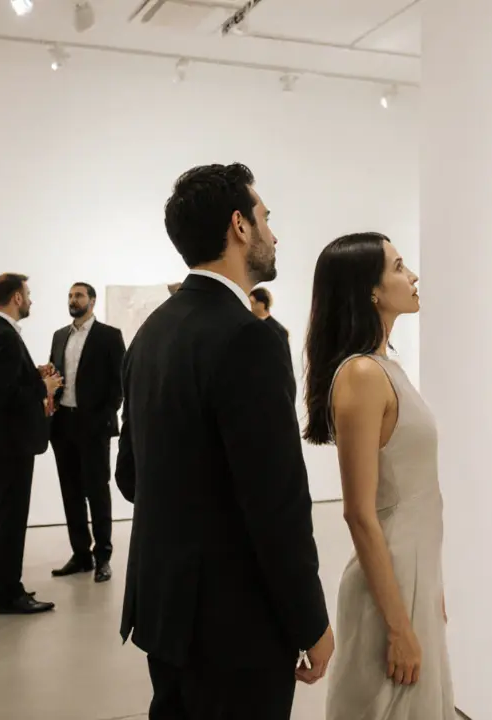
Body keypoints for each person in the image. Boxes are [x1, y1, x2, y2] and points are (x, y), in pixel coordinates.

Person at [118, 163, 333, 719]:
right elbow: (276, 504)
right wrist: (310, 621)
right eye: (266, 218)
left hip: (165, 609)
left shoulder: (151, 333)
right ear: (240, 226)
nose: (273, 233)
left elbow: (129, 478)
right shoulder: (249, 339)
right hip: (233, 624)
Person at [302, 233, 455, 719]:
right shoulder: (363, 375)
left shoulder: (387, 367)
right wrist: (398, 625)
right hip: (387, 589)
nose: (412, 277)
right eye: (398, 266)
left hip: (412, 576)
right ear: (370, 290)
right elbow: (359, 513)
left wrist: (429, 590)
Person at [0, 273, 61, 615]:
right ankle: (10, 593)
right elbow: (6, 394)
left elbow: (6, 384)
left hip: (1, 439)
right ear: (16, 298)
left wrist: (33, 375)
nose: (31, 300)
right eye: (28, 294)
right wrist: (45, 387)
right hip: (11, 440)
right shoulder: (4, 337)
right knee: (10, 517)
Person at [47, 282, 125, 584]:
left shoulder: (108, 336)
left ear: (92, 301)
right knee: (71, 492)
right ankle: (80, 555)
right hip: (63, 423)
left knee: (97, 491)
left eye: (78, 295)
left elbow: (119, 382)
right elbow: (55, 375)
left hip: (93, 426)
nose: (73, 299)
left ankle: (102, 556)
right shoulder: (59, 336)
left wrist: (104, 416)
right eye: (69, 295)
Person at [249, 287, 292, 365]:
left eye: (252, 302)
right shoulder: (247, 325)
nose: (249, 306)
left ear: (261, 305)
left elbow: (286, 363)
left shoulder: (279, 331)